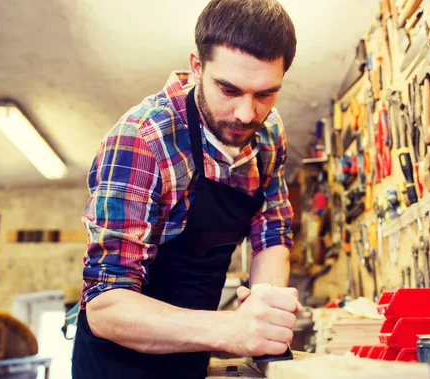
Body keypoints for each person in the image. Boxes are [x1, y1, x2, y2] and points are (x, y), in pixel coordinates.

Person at [70, 0, 301, 378]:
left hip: (194, 356)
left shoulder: (268, 132)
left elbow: (271, 232)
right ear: (197, 67)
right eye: (229, 89)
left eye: (265, 94)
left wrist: (266, 308)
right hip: (117, 363)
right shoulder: (142, 140)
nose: (246, 114)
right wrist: (232, 329)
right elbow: (105, 307)